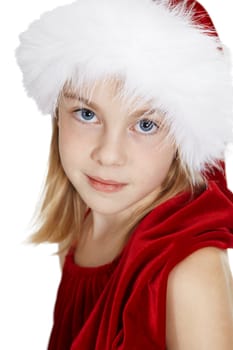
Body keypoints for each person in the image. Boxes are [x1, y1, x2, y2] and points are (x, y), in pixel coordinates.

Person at [15, 0, 233, 349]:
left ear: (184, 138)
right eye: (86, 114)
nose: (108, 155)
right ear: (58, 112)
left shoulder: (190, 272)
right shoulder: (79, 225)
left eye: (146, 124)